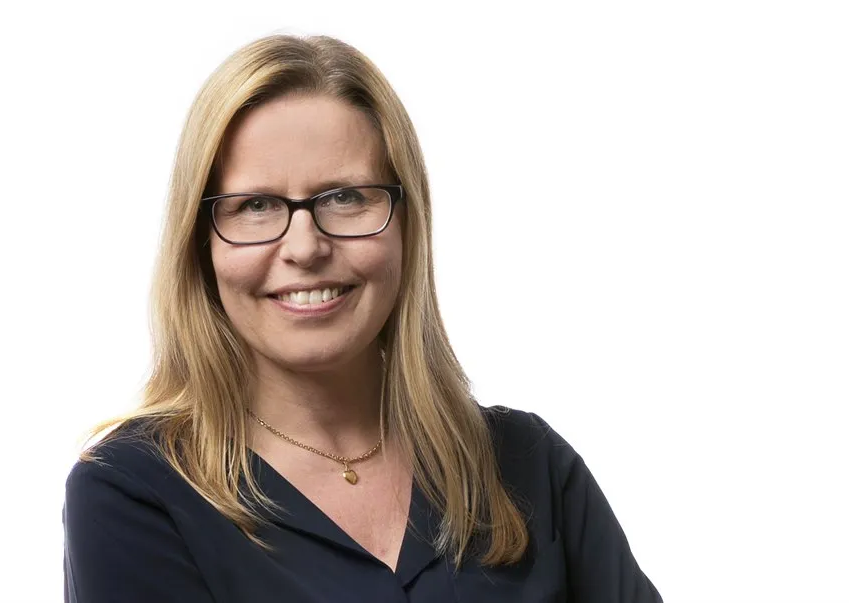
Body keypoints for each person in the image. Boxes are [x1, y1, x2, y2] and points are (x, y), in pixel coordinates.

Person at [62, 34, 662, 602]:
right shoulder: (133, 493)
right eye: (256, 205)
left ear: (407, 223)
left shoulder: (528, 465)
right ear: (202, 245)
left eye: (345, 197)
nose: (304, 246)